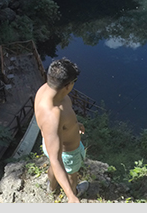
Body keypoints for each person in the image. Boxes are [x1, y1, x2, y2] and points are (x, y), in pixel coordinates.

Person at [34, 58, 89, 203]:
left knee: (53, 165)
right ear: (67, 85)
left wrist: (75, 125)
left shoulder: (45, 89)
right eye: (74, 81)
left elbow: (62, 124)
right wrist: (72, 197)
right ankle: (75, 191)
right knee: (71, 174)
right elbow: (56, 159)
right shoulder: (52, 115)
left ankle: (52, 188)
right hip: (68, 153)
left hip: (50, 142)